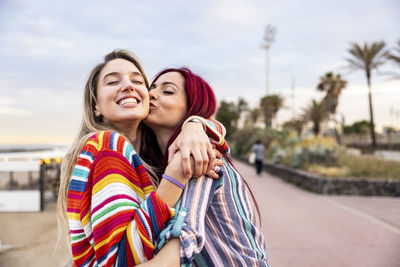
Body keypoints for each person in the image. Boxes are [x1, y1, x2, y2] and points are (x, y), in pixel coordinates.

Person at [57, 50, 227, 267]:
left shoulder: (139, 160)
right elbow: (119, 260)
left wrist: (195, 124)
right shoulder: (107, 146)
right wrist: (174, 178)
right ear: (96, 106)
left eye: (138, 81)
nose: (129, 86)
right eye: (112, 82)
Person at [143, 68, 270, 266]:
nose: (151, 93)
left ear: (191, 107)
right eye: (151, 87)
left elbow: (182, 241)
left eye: (168, 91)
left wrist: (195, 123)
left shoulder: (202, 157)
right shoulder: (155, 163)